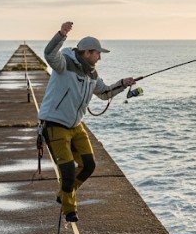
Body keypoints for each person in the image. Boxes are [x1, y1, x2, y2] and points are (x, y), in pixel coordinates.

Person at [38, 21, 136, 222]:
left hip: (76, 126)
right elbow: (48, 54)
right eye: (97, 53)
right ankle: (69, 209)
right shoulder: (64, 63)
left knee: (89, 165)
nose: (100, 57)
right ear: (86, 52)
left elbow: (104, 93)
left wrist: (122, 84)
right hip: (55, 125)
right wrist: (61, 34)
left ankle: (64, 194)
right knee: (66, 171)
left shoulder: (92, 74)